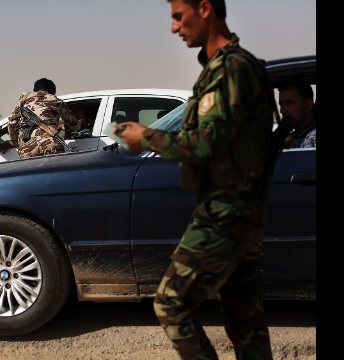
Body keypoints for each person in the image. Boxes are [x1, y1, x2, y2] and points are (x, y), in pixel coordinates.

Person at [116, 1, 276, 358]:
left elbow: (208, 143)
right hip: (237, 210)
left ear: (205, 9)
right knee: (243, 316)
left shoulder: (231, 68)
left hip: (225, 213)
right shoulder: (223, 68)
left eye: (178, 16)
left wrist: (147, 138)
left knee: (171, 305)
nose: (174, 28)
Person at [0, 77, 79, 159]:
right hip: (51, 143)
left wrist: (14, 142)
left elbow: (12, 123)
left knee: (33, 172)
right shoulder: (57, 101)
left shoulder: (24, 99)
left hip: (28, 146)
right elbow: (75, 126)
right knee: (54, 171)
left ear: (35, 90)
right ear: (53, 92)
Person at [278, 80, 316, 148]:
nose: (282, 110)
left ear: (308, 105)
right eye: (281, 104)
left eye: (288, 103)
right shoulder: (295, 136)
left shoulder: (312, 139)